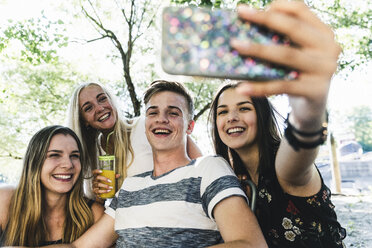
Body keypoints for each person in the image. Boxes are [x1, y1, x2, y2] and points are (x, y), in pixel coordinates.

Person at [27, 80, 267, 248]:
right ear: (146, 121)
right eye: (153, 112)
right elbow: (80, 247)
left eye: (173, 113)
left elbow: (251, 243)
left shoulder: (208, 169)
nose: (160, 119)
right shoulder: (129, 187)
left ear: (190, 127)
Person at [209, 1, 346, 247]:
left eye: (244, 108)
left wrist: (309, 108)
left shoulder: (284, 167)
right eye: (222, 112)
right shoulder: (231, 177)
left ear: (261, 115)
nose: (231, 117)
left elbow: (302, 137)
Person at [67, 82, 202, 200]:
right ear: (83, 120)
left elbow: (199, 164)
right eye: (88, 108)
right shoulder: (92, 155)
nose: (100, 108)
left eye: (102, 99)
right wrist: (99, 196)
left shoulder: (146, 126)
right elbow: (103, 207)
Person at [0, 125, 104, 246]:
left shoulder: (93, 214)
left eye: (74, 156)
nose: (68, 164)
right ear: (35, 162)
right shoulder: (5, 200)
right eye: (54, 155)